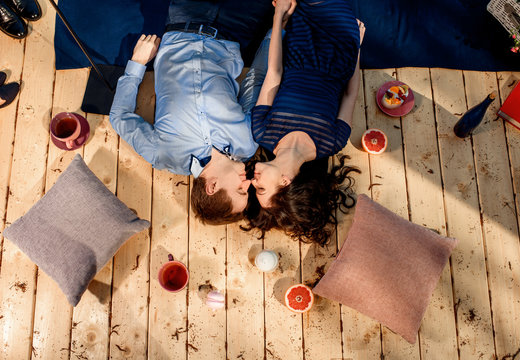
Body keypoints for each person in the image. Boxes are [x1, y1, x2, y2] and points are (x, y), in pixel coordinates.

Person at [109, 0, 273, 225]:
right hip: (237, 29)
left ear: (212, 186)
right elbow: (256, 81)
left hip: (185, 21)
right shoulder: (247, 144)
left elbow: (119, 117)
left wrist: (138, 62)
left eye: (241, 191)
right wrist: (275, 31)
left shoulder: (164, 154)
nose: (249, 184)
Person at [244, 0, 366, 245]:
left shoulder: (262, 131)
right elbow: (350, 93)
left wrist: (278, 16)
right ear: (285, 182)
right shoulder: (332, 142)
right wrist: (357, 46)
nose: (252, 181)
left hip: (300, 44)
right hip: (341, 47)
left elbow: (274, 72)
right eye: (260, 189)